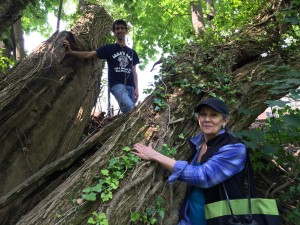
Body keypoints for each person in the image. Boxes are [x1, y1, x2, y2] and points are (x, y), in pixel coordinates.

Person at [132, 97, 247, 225]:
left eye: (214, 115)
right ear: (198, 119)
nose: (207, 119)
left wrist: (155, 155)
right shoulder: (199, 143)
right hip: (189, 217)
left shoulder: (234, 148)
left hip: (219, 219)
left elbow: (203, 176)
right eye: (203, 114)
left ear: (225, 120)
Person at [63, 19, 140, 114]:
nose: (120, 30)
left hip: (131, 86)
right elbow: (89, 54)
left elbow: (134, 72)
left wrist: (136, 88)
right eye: (117, 29)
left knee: (129, 114)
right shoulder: (109, 49)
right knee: (131, 109)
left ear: (126, 30)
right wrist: (71, 52)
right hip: (117, 85)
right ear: (114, 32)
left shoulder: (132, 53)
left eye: (122, 28)